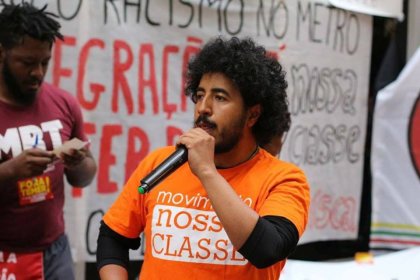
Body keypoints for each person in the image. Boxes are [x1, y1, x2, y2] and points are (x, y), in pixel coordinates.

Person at [97, 37, 310, 280]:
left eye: (220, 98)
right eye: (199, 95)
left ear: (252, 115)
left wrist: (207, 172)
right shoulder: (159, 163)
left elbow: (266, 250)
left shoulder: (284, 179)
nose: (203, 108)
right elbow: (113, 237)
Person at [0, 3, 97, 279]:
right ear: (1, 53)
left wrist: (78, 163)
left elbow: (85, 177)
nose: (38, 73)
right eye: (27, 63)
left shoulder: (63, 103)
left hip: (55, 252)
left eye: (45, 62)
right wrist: (11, 171)